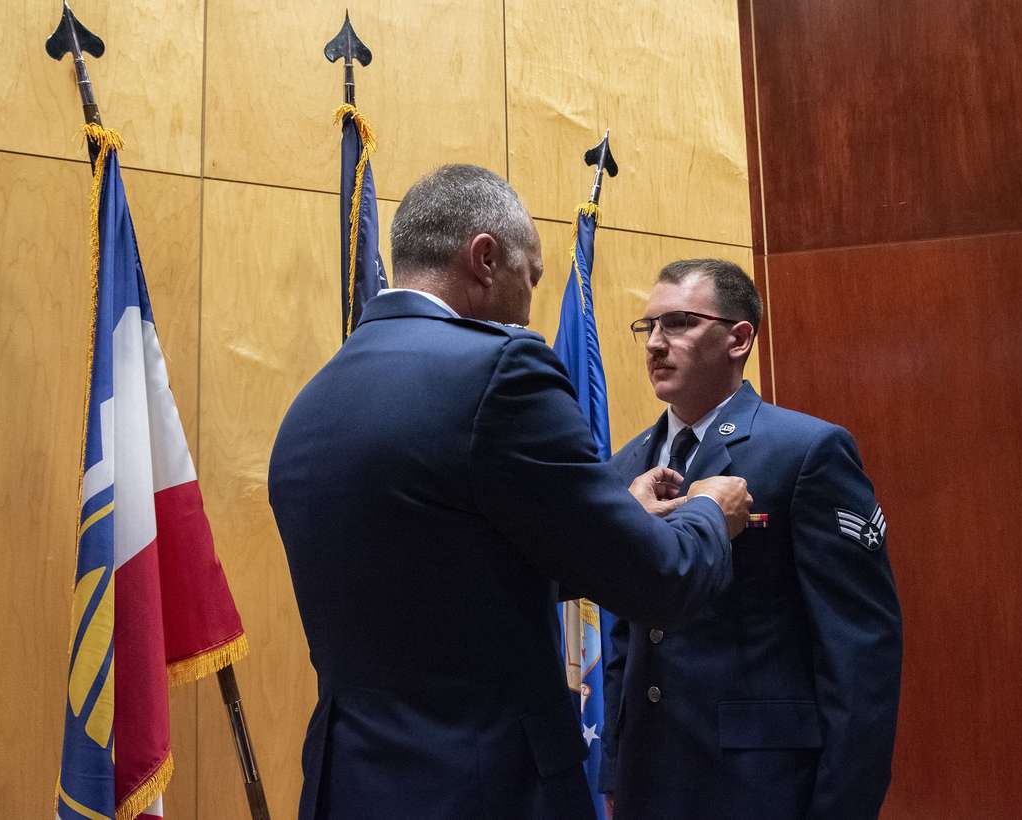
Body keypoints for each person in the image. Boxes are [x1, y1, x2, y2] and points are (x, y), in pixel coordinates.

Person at [268, 167, 753, 820]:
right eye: (532, 276)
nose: (530, 308)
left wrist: (607, 516)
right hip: (483, 788)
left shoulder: (314, 400)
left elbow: (448, 575)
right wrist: (706, 514)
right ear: (485, 257)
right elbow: (658, 579)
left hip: (347, 784)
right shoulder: (500, 370)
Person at [600, 259, 903, 820]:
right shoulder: (625, 468)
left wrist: (843, 806)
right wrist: (616, 770)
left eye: (679, 323)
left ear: (739, 338)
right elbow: (625, 634)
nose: (656, 344)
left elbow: (859, 652)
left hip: (760, 784)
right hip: (649, 781)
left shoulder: (806, 452)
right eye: (649, 327)